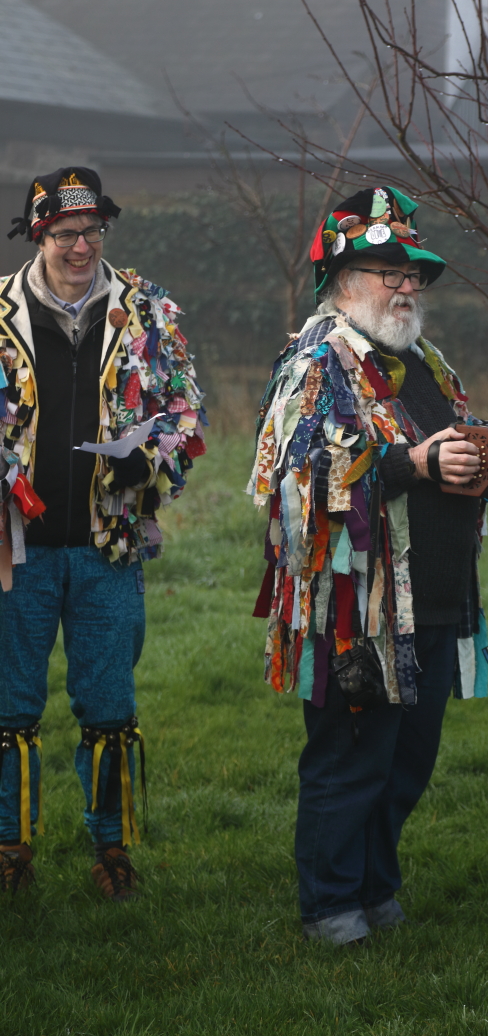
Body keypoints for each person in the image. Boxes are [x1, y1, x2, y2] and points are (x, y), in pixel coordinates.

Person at [248, 186, 488, 944]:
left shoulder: (427, 364)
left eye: (412, 272)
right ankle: (329, 903)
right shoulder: (319, 363)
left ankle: (376, 886)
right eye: (390, 271)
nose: (407, 285)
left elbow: (446, 447)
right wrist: (411, 461)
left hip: (437, 598)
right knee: (351, 758)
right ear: (345, 280)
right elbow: (299, 480)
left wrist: (484, 460)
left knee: (408, 762)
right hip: (359, 608)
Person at [0, 168, 206, 898]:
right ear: (37, 234)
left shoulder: (146, 312)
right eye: (65, 233)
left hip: (107, 546)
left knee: (110, 704)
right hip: (15, 551)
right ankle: (9, 848)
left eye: (92, 231)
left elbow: (186, 413)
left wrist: (151, 461)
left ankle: (111, 849)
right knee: (9, 704)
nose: (81, 246)